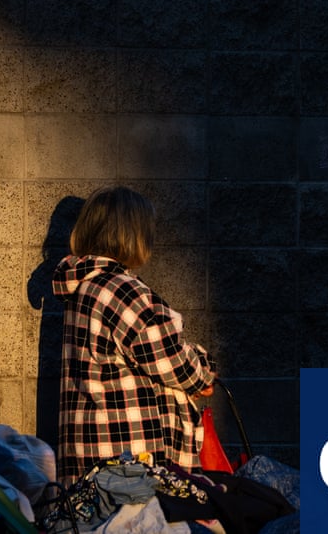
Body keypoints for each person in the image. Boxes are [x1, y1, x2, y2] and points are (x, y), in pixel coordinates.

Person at [52, 186, 216, 484]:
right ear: (132, 234)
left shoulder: (83, 287)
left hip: (92, 451)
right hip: (127, 458)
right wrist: (205, 369)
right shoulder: (121, 289)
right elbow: (170, 360)